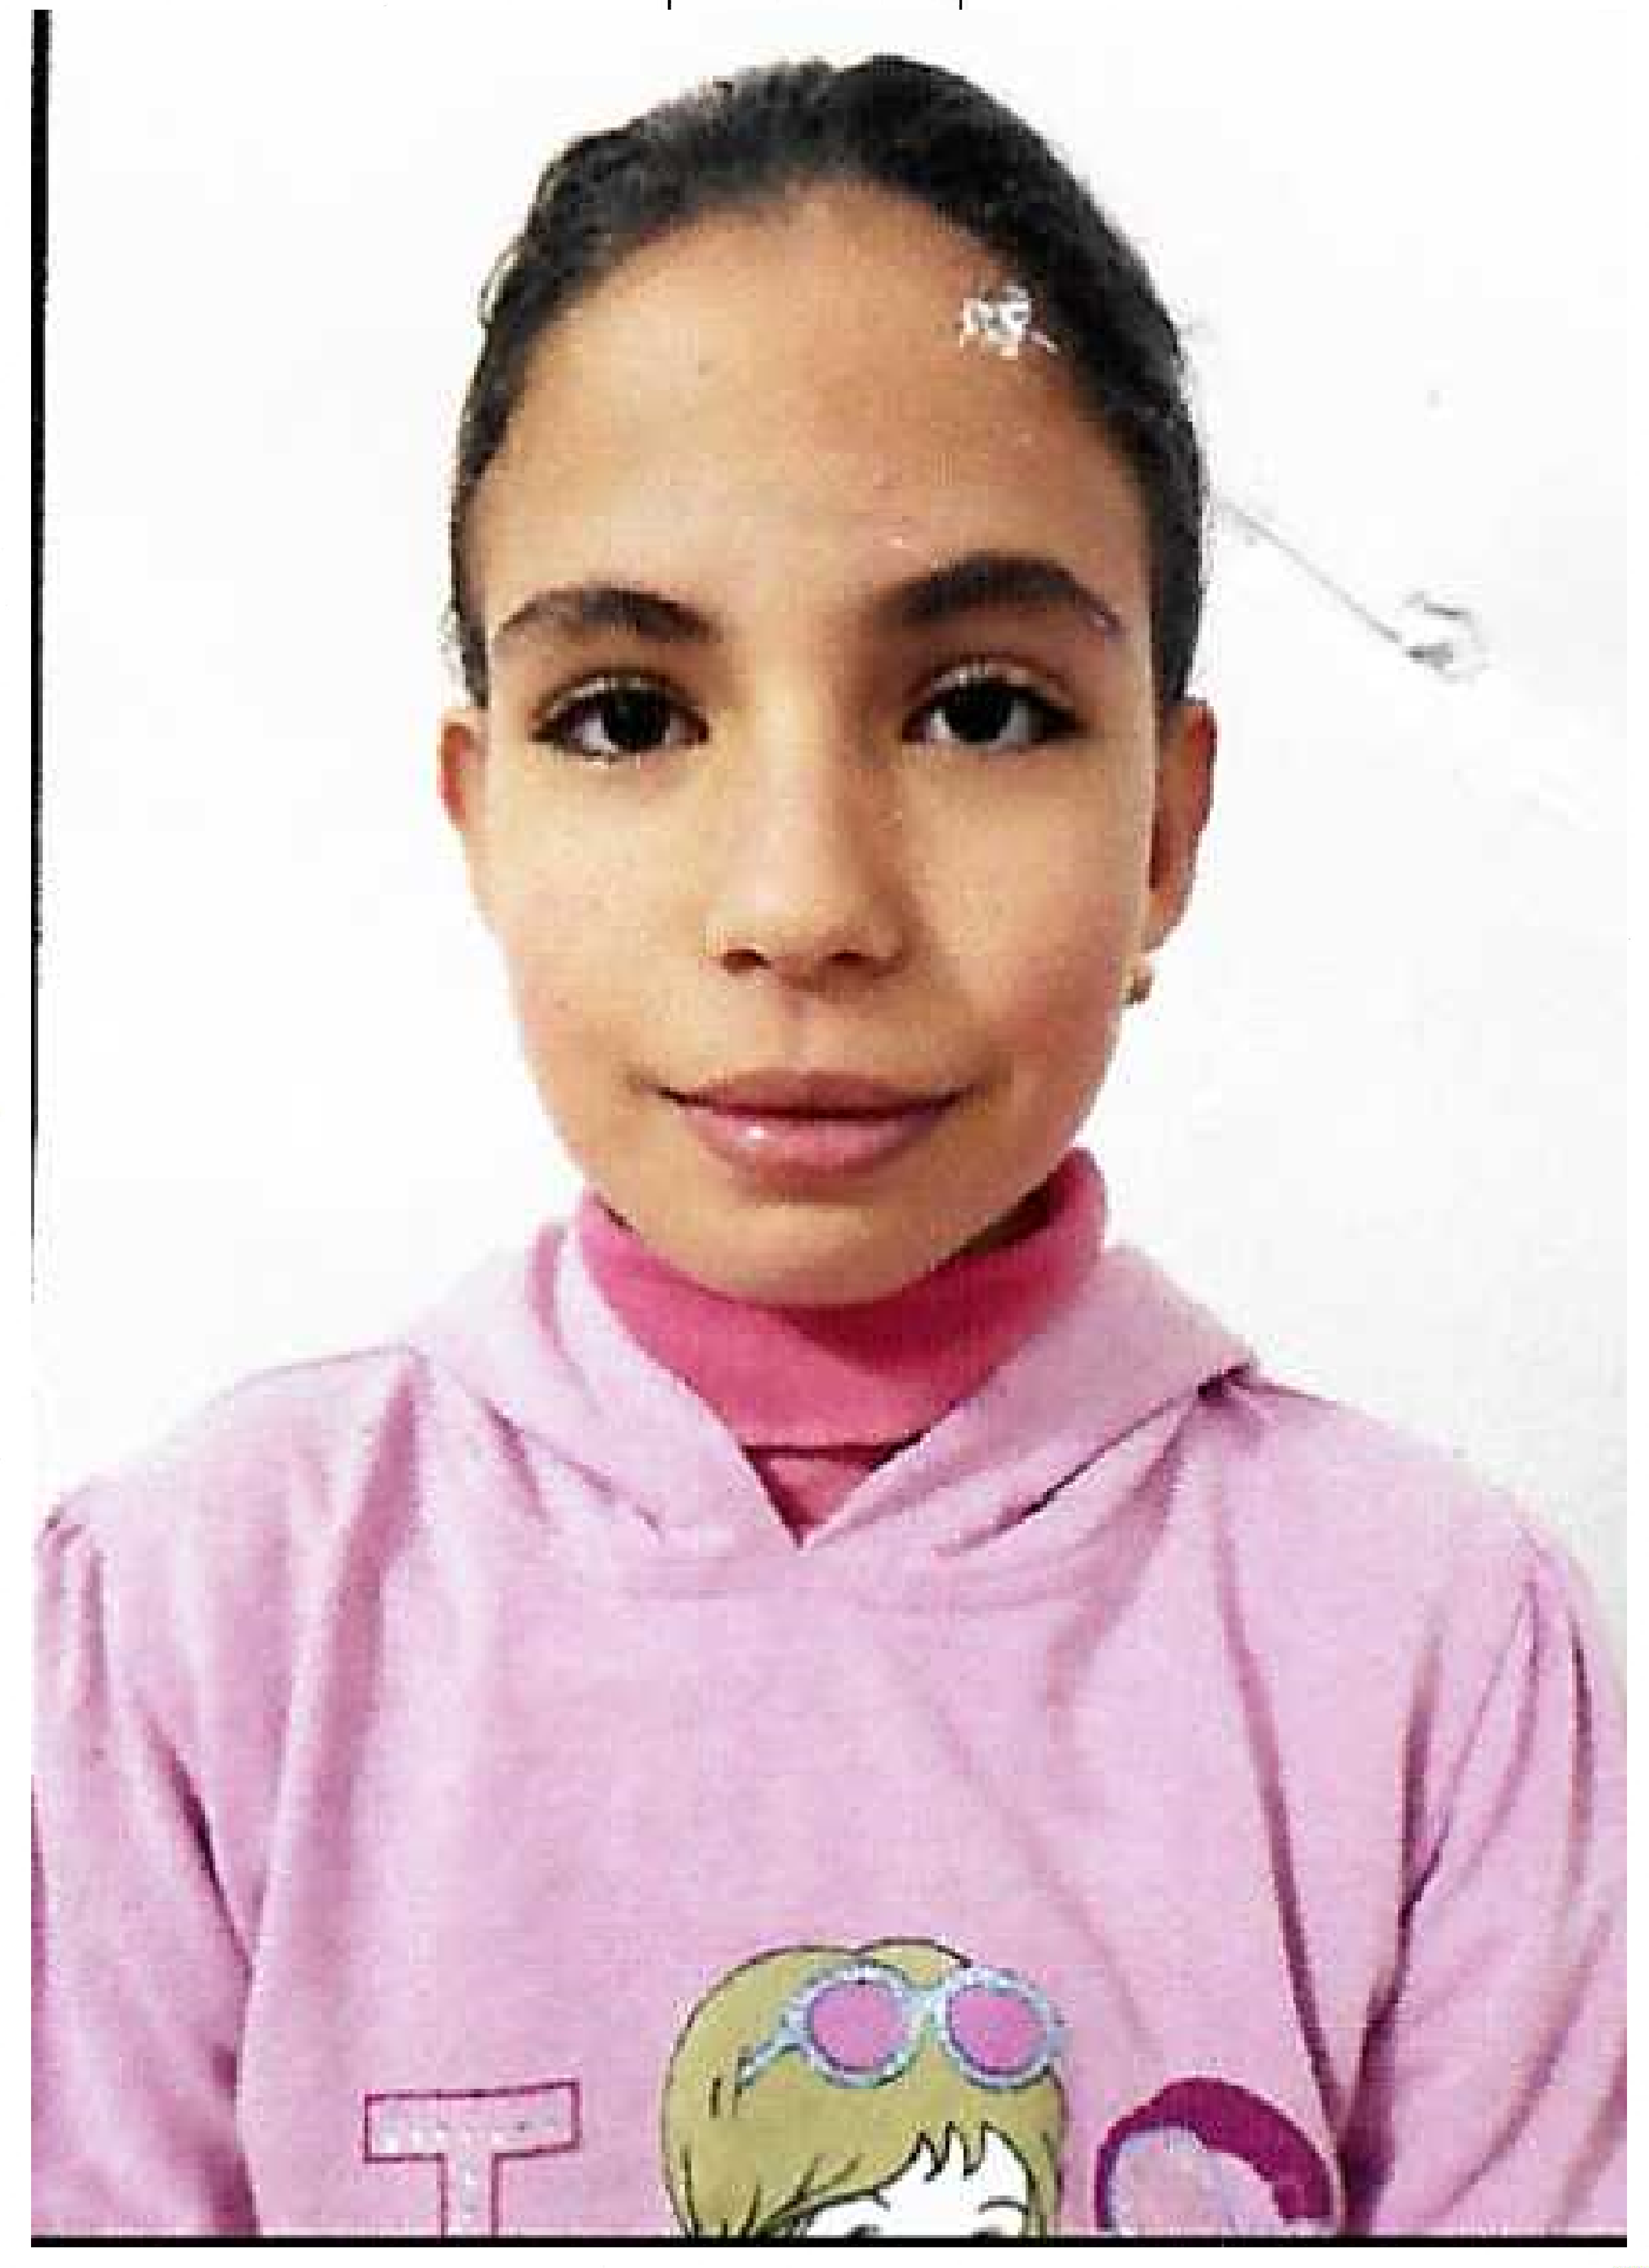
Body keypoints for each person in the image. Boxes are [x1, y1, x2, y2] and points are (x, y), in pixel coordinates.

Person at [32, 54, 1624, 2239]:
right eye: (627, 715)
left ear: (1163, 829)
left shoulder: (1434, 1650)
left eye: (979, 708)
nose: (801, 903)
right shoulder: (194, 1626)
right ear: (481, 817)